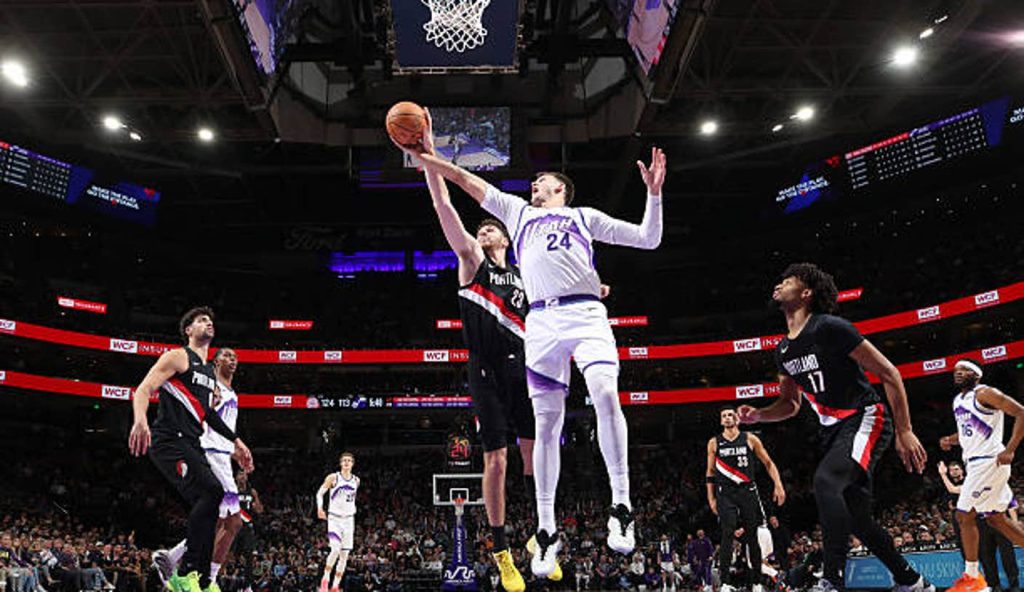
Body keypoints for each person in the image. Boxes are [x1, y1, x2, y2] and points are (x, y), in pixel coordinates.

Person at [397, 109, 665, 578]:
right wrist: (429, 155)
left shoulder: (583, 217)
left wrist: (655, 195)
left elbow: (648, 238)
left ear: (558, 188)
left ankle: (621, 506)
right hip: (540, 326)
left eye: (540, 181)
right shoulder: (516, 215)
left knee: (604, 393)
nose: (533, 186)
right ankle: (545, 533)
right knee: (544, 428)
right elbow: (462, 181)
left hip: (583, 315)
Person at [737, 263, 932, 592]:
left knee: (825, 481)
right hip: (833, 430)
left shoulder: (830, 327)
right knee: (860, 521)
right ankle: (911, 581)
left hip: (865, 416)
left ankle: (831, 579)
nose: (779, 284)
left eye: (788, 281)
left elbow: (889, 373)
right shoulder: (783, 350)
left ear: (806, 293)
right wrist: (758, 416)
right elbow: (790, 405)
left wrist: (904, 430)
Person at [420, 131, 536, 591]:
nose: (484, 229)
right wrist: (428, 160)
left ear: (506, 237)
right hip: (486, 369)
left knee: (536, 459)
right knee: (498, 460)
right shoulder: (472, 262)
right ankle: (502, 548)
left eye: (491, 227)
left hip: (526, 370)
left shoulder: (527, 274)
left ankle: (541, 531)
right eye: (481, 226)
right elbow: (445, 210)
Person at [129, 307, 253, 592]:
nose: (208, 323)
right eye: (201, 320)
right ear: (188, 330)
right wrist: (140, 420)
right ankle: (184, 574)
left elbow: (207, 414)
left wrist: (236, 441)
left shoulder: (209, 373)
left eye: (210, 320)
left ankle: (196, 575)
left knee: (213, 498)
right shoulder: (177, 356)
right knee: (211, 494)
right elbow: (144, 389)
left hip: (191, 443)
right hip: (168, 439)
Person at [155, 348, 246, 587]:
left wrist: (236, 450)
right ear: (215, 362)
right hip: (209, 452)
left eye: (235, 356)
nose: (232, 359)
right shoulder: (211, 384)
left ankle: (172, 557)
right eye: (226, 355)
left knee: (217, 520)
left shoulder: (231, 390)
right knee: (233, 521)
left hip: (221, 454)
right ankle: (208, 579)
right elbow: (203, 414)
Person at [940, 359, 1024, 592]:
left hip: (989, 461)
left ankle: (973, 579)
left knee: (964, 514)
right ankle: (974, 579)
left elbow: (1021, 413)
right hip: (976, 463)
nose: (958, 374)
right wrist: (950, 439)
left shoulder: (986, 393)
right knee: (996, 519)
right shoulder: (958, 401)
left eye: (964, 370)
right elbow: (966, 432)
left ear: (976, 374)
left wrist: (1010, 449)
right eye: (956, 371)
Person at [707, 406, 786, 592]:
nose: (727, 418)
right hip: (725, 493)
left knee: (752, 535)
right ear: (721, 421)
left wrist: (778, 484)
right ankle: (725, 583)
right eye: (724, 415)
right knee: (727, 534)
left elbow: (768, 462)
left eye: (731, 415)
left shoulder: (750, 439)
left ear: (737, 419)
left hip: (747, 491)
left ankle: (757, 581)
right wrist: (711, 498)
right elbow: (710, 472)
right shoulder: (714, 443)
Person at [316, 452, 360, 592]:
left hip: (349, 519)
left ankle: (335, 585)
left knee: (344, 555)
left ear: (352, 464)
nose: (346, 463)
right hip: (334, 518)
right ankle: (325, 578)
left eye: (349, 460)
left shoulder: (356, 480)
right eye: (344, 460)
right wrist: (320, 508)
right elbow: (319, 493)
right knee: (335, 549)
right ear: (341, 463)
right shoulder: (333, 477)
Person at [234, 470, 263, 592]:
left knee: (249, 556)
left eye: (244, 474)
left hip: (247, 526)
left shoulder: (252, 492)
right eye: (240, 474)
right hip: (233, 526)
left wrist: (256, 505)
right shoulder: (232, 490)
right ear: (235, 477)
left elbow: (260, 510)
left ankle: (247, 586)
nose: (242, 477)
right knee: (229, 555)